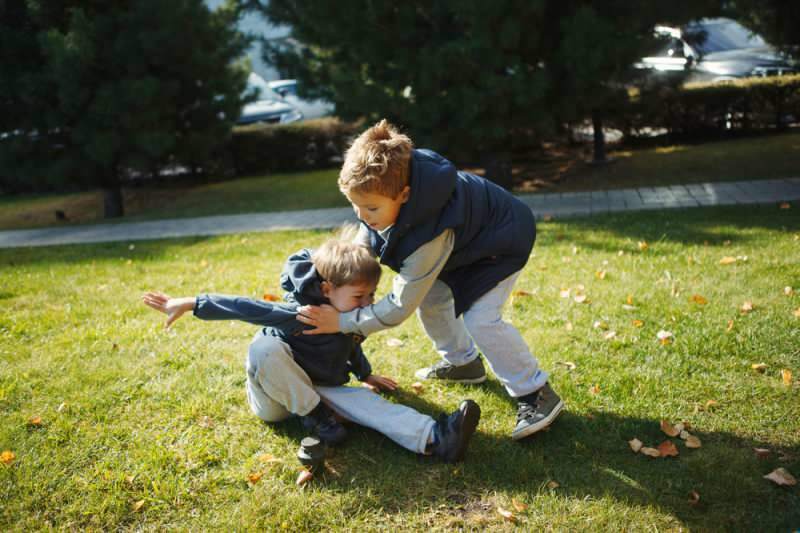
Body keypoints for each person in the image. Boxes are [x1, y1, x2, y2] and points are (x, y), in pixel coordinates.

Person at [296, 120, 563, 441]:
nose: (362, 215)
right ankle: (463, 363)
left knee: (481, 319)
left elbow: (399, 307)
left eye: (370, 207)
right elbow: (365, 240)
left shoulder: (429, 236)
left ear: (405, 195)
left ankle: (535, 391)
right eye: (355, 205)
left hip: (501, 241)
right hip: (465, 245)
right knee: (433, 300)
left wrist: (343, 322)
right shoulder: (391, 189)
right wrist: (332, 268)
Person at [142, 235, 480, 463]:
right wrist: (190, 303)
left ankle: (436, 438)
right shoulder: (299, 313)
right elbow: (243, 306)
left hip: (317, 390)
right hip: (275, 399)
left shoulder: (348, 317)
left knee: (363, 400)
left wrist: (366, 373)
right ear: (327, 289)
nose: (367, 303)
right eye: (359, 297)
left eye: (372, 296)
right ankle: (318, 418)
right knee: (263, 348)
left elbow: (349, 347)